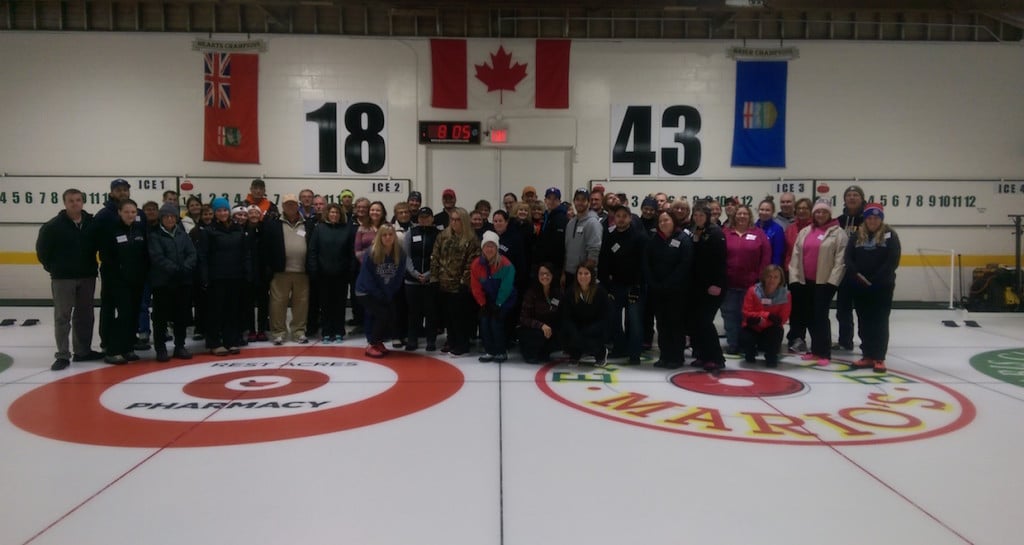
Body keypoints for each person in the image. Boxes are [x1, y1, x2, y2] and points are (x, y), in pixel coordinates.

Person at [35, 188, 103, 370]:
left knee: (85, 316)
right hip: (62, 278)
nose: (75, 203)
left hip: (87, 276)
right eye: (71, 200)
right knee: (62, 317)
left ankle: (83, 351)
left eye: (78, 200)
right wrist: (55, 269)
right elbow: (42, 252)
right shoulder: (53, 226)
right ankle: (63, 355)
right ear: (65, 203)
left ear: (83, 202)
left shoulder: (91, 223)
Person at [789, 199, 848, 366]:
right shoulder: (806, 231)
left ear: (829, 213)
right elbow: (796, 256)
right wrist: (794, 279)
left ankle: (824, 352)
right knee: (809, 316)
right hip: (804, 282)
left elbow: (840, 261)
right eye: (817, 212)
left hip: (824, 283)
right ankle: (815, 350)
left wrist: (832, 283)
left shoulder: (838, 233)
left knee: (821, 317)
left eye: (824, 212)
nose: (820, 215)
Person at [845, 203, 901, 373]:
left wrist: (876, 278)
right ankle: (867, 355)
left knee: (880, 322)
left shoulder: (890, 235)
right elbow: (848, 257)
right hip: (860, 286)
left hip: (881, 286)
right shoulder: (856, 235)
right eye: (869, 217)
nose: (872, 220)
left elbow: (893, 260)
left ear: (881, 219)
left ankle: (879, 357)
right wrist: (856, 273)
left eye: (876, 217)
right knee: (864, 321)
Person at [97, 199, 149, 364]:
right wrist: (118, 275)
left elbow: (144, 254)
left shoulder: (140, 229)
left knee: (133, 314)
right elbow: (106, 256)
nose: (130, 215)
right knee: (124, 314)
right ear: (119, 212)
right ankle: (113, 350)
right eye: (126, 212)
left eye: (133, 212)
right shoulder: (111, 230)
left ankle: (128, 348)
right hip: (118, 281)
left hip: (137, 280)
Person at [198, 197, 249, 356]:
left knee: (232, 310)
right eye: (219, 210)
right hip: (216, 277)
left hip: (235, 276)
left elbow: (245, 253)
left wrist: (246, 272)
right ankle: (214, 342)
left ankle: (231, 341)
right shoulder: (208, 231)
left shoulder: (238, 229)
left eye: (225, 210)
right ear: (214, 212)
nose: (222, 213)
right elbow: (203, 256)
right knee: (215, 311)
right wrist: (204, 277)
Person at [644, 211, 694, 369]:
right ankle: (664, 355)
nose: (663, 223)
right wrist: (653, 282)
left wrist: (669, 283)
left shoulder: (683, 239)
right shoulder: (653, 239)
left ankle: (676, 357)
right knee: (662, 324)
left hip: (677, 291)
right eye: (660, 221)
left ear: (673, 221)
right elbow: (646, 262)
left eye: (666, 220)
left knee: (675, 325)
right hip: (658, 291)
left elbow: (685, 264)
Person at [148, 203, 197, 361]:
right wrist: (175, 269)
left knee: (181, 316)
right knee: (160, 318)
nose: (170, 219)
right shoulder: (154, 235)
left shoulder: (183, 235)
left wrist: (185, 268)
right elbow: (157, 257)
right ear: (161, 218)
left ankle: (180, 346)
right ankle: (161, 349)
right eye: (166, 216)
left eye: (172, 216)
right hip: (163, 283)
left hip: (183, 283)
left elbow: (192, 254)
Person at [599, 204, 646, 365]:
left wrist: (637, 287)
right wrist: (607, 285)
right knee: (613, 320)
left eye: (624, 216)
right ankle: (619, 348)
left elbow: (643, 264)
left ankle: (634, 354)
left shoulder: (639, 237)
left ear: (630, 218)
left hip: (633, 287)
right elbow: (603, 261)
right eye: (617, 216)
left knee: (635, 322)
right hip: (615, 287)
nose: (620, 219)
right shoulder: (609, 235)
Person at [263, 194, 312, 345]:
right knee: (277, 304)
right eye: (287, 204)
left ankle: (299, 332)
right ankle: (278, 333)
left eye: (293, 204)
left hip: (302, 272)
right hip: (280, 272)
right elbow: (266, 248)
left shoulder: (308, 224)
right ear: (282, 206)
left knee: (301, 305)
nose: (290, 206)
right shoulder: (273, 224)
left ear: (298, 205)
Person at [722, 205, 771, 354]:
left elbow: (766, 257)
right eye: (739, 213)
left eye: (745, 214)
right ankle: (733, 343)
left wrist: (761, 278)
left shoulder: (758, 234)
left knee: (748, 316)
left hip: (751, 285)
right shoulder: (725, 233)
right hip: (729, 283)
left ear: (749, 216)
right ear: (734, 216)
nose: (742, 216)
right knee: (730, 315)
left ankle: (747, 344)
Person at [430, 207, 479, 356]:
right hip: (443, 284)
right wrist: (434, 278)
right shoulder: (442, 236)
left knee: (460, 318)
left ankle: (462, 344)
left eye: (458, 219)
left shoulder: (471, 239)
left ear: (464, 221)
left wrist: (465, 282)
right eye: (452, 219)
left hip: (460, 286)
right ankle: (450, 341)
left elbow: (472, 263)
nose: (454, 222)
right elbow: (434, 257)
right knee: (448, 318)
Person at [93, 178, 133, 352]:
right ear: (111, 193)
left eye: (125, 189)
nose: (122, 192)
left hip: (132, 270)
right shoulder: (103, 215)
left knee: (128, 308)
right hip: (111, 270)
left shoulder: (135, 212)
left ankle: (128, 340)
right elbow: (93, 241)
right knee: (109, 306)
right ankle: (107, 341)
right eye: (119, 190)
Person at [355, 224, 406, 357]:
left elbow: (399, 276)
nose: (388, 237)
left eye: (390, 234)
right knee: (382, 314)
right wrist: (380, 295)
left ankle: (378, 342)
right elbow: (367, 277)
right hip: (366, 291)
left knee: (391, 314)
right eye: (384, 235)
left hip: (385, 291)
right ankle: (371, 344)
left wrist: (389, 293)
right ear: (380, 237)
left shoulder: (400, 253)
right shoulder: (372, 252)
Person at [307, 203, 355, 343]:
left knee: (340, 305)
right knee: (325, 304)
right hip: (323, 274)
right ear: (327, 214)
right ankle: (327, 332)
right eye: (332, 212)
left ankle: (339, 331)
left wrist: (351, 269)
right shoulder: (319, 229)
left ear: (341, 215)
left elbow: (352, 252)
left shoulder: (348, 229)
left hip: (342, 274)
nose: (334, 215)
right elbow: (313, 251)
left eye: (337, 213)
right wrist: (314, 269)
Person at [687, 203, 727, 371]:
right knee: (697, 322)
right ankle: (703, 355)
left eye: (701, 215)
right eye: (695, 215)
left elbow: (720, 261)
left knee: (705, 321)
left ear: (708, 216)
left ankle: (716, 358)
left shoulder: (716, 233)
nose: (698, 218)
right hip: (698, 286)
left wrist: (717, 283)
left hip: (713, 286)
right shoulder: (695, 231)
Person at [471, 231, 517, 363]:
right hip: (488, 299)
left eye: (492, 246)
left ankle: (501, 351)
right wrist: (482, 304)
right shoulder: (476, 264)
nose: (489, 249)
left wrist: (499, 304)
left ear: (497, 248)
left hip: (505, 299)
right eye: (487, 246)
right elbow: (476, 287)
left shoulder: (506, 264)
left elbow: (506, 287)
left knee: (496, 322)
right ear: (482, 248)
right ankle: (489, 350)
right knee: (484, 321)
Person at [740, 264, 791, 368]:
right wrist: (766, 315)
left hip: (771, 327)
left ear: (781, 279)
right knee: (745, 337)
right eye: (769, 276)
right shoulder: (752, 291)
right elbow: (746, 312)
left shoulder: (786, 295)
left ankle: (771, 356)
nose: (772, 280)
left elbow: (783, 318)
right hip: (754, 325)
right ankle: (750, 353)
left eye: (776, 277)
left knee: (777, 332)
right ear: (764, 277)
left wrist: (765, 321)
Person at [404, 207, 440, 351]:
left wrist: (428, 275)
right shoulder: (410, 233)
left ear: (432, 218)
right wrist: (415, 273)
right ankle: (412, 339)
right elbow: (406, 255)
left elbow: (439, 257)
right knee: (413, 313)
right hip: (412, 280)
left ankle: (431, 340)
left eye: (427, 217)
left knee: (431, 312)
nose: (424, 219)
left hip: (431, 280)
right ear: (417, 219)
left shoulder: (439, 235)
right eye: (421, 217)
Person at [835, 185, 866, 352]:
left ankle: (867, 343)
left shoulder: (868, 220)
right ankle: (845, 341)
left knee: (863, 311)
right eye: (849, 195)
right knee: (843, 310)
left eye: (856, 195)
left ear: (861, 199)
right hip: (843, 271)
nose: (852, 198)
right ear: (845, 199)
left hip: (861, 272)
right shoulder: (839, 220)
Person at [562, 264, 609, 366]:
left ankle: (601, 354)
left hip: (595, 329)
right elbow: (566, 315)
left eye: (586, 273)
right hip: (577, 327)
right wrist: (573, 330)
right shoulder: (570, 292)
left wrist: (589, 330)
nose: (583, 276)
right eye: (580, 273)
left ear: (592, 275)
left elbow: (605, 317)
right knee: (568, 335)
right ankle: (575, 354)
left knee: (590, 341)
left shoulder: (600, 292)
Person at [783, 197, 813, 353]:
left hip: (810, 274)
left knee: (809, 309)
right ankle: (795, 338)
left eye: (805, 208)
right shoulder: (790, 228)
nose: (802, 211)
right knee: (795, 309)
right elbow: (786, 251)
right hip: (792, 273)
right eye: (799, 208)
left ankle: (816, 339)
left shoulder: (815, 228)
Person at [519, 263, 562, 364]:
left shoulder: (557, 293)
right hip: (531, 329)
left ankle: (544, 351)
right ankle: (528, 353)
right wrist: (541, 325)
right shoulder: (531, 293)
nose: (545, 276)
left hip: (549, 328)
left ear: (552, 275)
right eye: (542, 274)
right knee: (539, 335)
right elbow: (524, 318)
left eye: (547, 274)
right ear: (537, 276)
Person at [563, 188, 602, 289]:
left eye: (583, 200)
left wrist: (584, 274)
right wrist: (563, 272)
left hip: (584, 276)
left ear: (588, 202)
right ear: (574, 201)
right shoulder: (570, 223)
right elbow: (566, 250)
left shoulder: (593, 223)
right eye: (577, 199)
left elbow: (594, 251)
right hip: (569, 274)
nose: (580, 203)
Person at [243, 206, 269, 343]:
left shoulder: (265, 229)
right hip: (248, 273)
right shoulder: (242, 229)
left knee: (264, 303)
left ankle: (262, 330)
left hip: (263, 273)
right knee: (248, 303)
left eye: (256, 213)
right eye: (250, 213)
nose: (253, 215)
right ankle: (251, 330)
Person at [533, 187, 569, 281]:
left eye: (555, 199)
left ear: (559, 201)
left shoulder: (562, 218)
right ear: (545, 200)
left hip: (555, 267)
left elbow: (560, 245)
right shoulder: (546, 216)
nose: (552, 201)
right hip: (543, 265)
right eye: (549, 198)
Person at [755, 197, 786, 266]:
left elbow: (778, 254)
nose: (764, 212)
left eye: (767, 210)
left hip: (769, 270)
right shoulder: (753, 227)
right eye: (762, 209)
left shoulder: (777, 229)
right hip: (753, 270)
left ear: (773, 212)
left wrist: (774, 270)